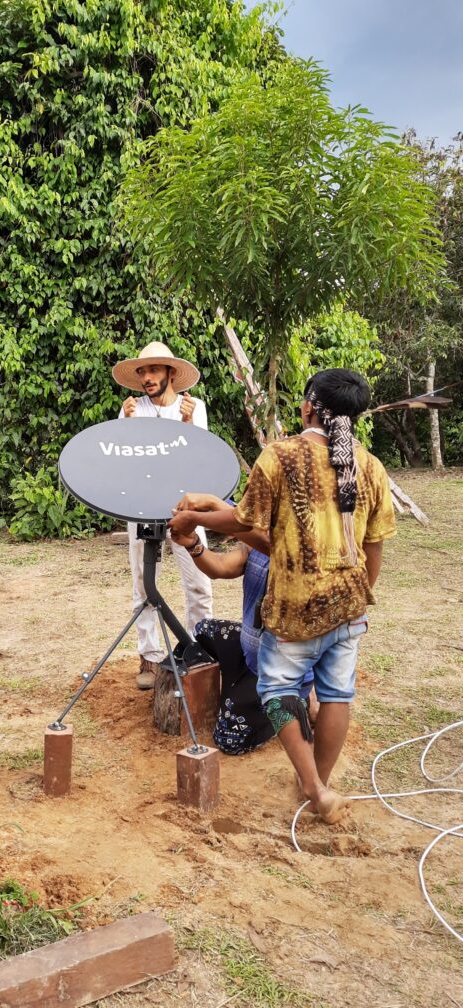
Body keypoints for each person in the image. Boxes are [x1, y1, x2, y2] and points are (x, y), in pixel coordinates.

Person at [169, 369, 396, 823]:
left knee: (276, 691)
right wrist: (355, 598)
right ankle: (319, 784)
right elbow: (373, 552)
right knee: (336, 696)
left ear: (308, 405)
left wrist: (191, 518)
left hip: (295, 611)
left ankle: (314, 789)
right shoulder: (371, 468)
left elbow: (242, 523)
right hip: (349, 609)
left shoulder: (280, 456)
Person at [171, 495, 317, 754]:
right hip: (254, 652)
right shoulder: (256, 540)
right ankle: (243, 686)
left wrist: (215, 505)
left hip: (280, 672)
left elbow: (272, 545)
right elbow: (221, 568)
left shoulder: (304, 547)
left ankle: (299, 703)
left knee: (229, 741)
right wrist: (193, 544)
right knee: (203, 629)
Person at [113, 341, 213, 690]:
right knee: (142, 583)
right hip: (140, 503)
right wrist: (124, 424)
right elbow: (120, 458)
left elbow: (201, 458)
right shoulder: (130, 409)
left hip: (185, 505)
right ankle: (150, 656)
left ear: (171, 373)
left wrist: (187, 424)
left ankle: (202, 651)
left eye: (153, 370)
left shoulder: (193, 407)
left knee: (199, 580)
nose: (146, 377)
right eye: (142, 371)